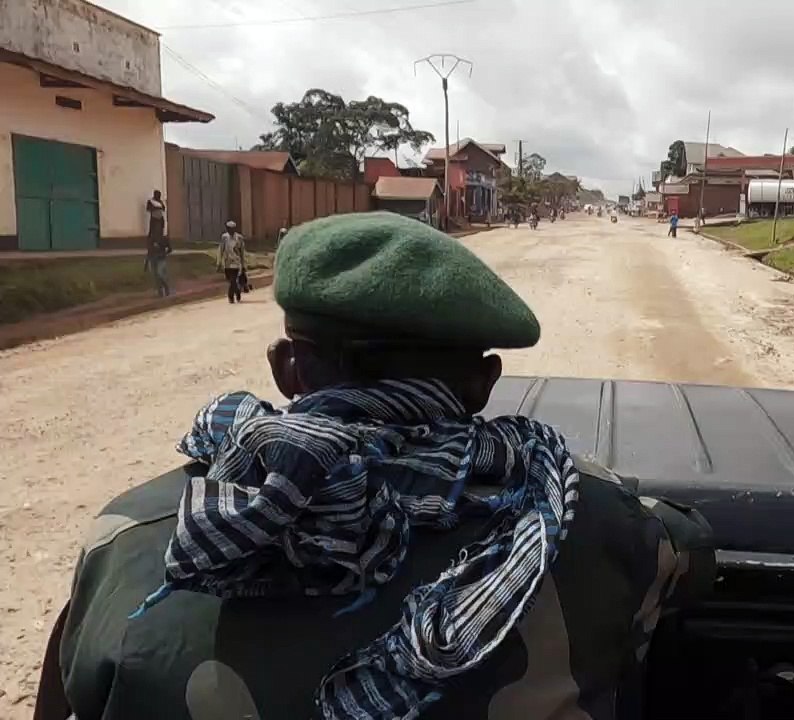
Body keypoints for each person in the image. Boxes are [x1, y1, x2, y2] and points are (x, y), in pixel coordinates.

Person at [35, 212, 712, 720]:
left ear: (287, 368)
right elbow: (689, 553)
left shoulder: (133, 534)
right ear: (482, 385)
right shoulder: (584, 519)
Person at [144, 191, 172, 297]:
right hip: (153, 258)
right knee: (156, 276)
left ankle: (166, 287)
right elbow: (148, 249)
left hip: (160, 258)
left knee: (160, 274)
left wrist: (164, 252)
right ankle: (161, 292)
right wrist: (147, 261)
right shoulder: (151, 237)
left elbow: (170, 249)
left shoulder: (163, 237)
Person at [217, 220, 247, 304]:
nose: (230, 230)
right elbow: (221, 249)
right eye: (228, 228)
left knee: (233, 280)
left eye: (232, 228)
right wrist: (219, 262)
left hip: (236, 264)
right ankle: (237, 291)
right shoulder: (224, 237)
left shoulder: (239, 238)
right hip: (227, 264)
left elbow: (242, 252)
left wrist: (243, 264)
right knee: (230, 281)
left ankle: (231, 296)